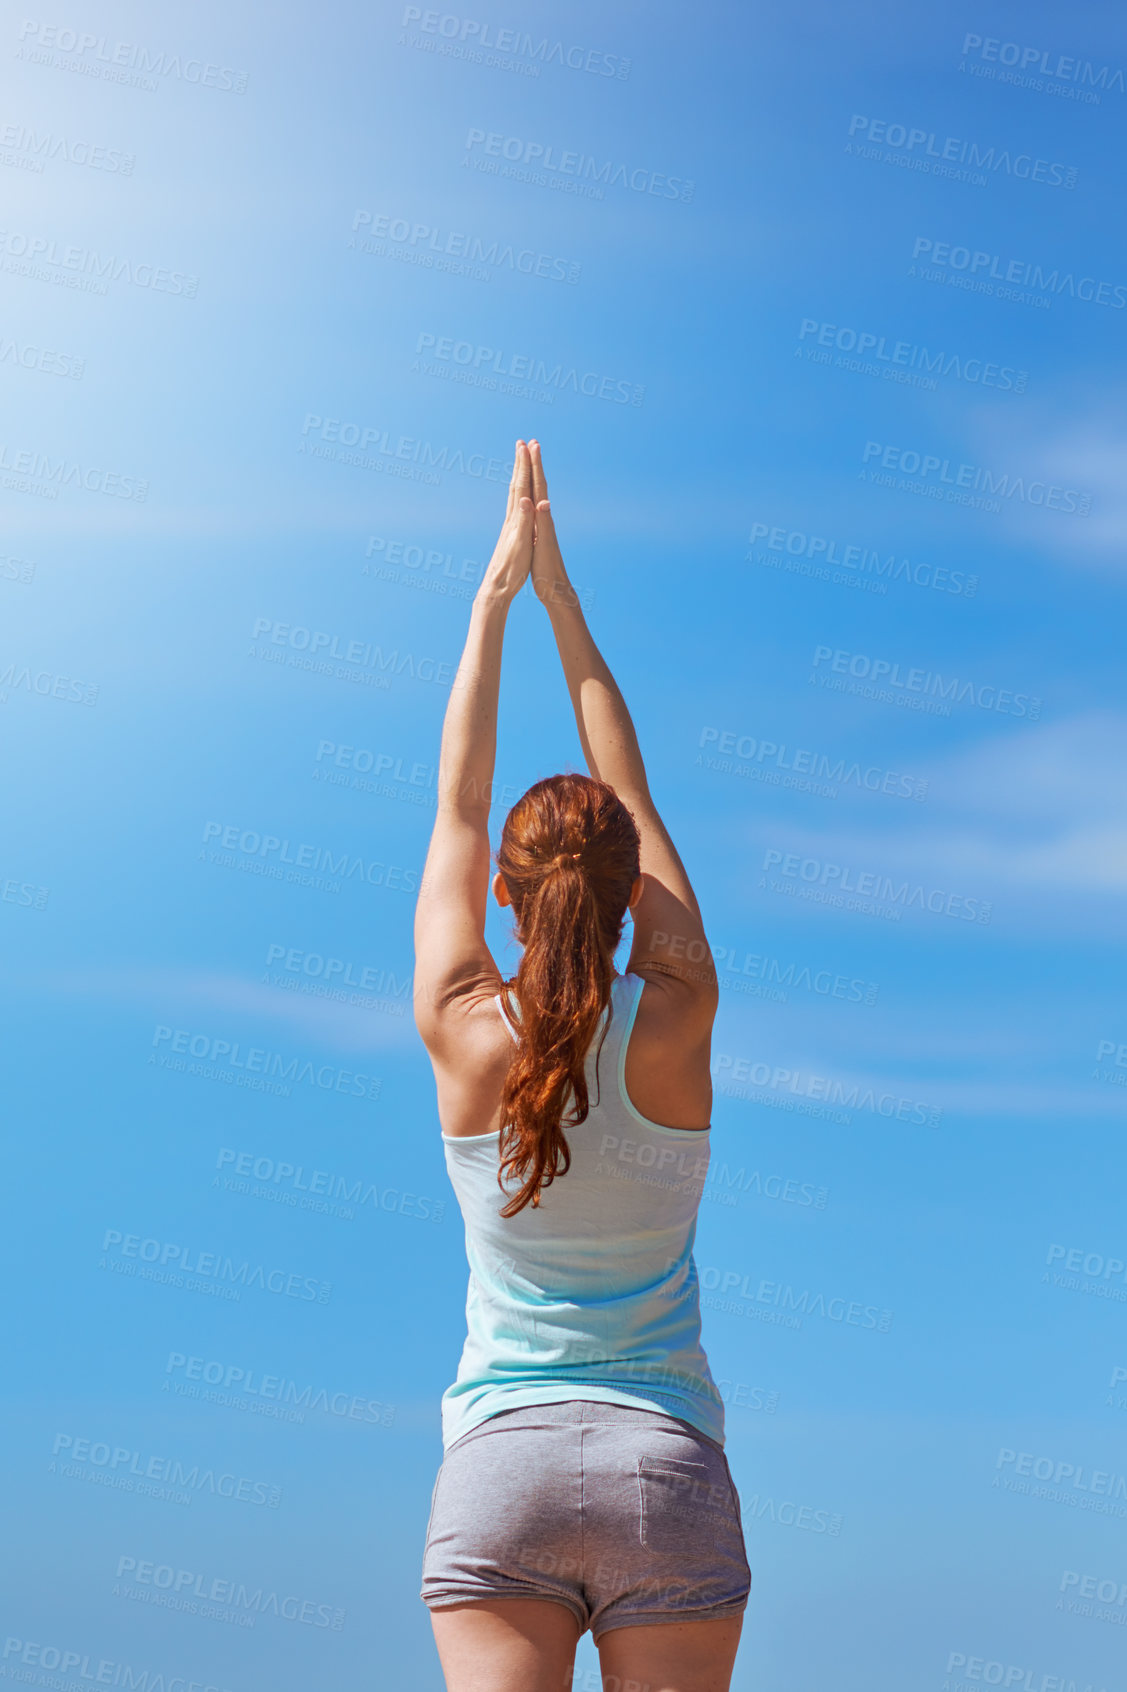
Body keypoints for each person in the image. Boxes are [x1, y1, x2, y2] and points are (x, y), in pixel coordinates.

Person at [413, 440, 751, 1692]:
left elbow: (457, 807)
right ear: (630, 899)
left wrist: (490, 603)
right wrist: (567, 607)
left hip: (496, 1473)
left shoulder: (460, 1025)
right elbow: (631, 788)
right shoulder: (678, 1016)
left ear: (506, 895)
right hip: (663, 1466)